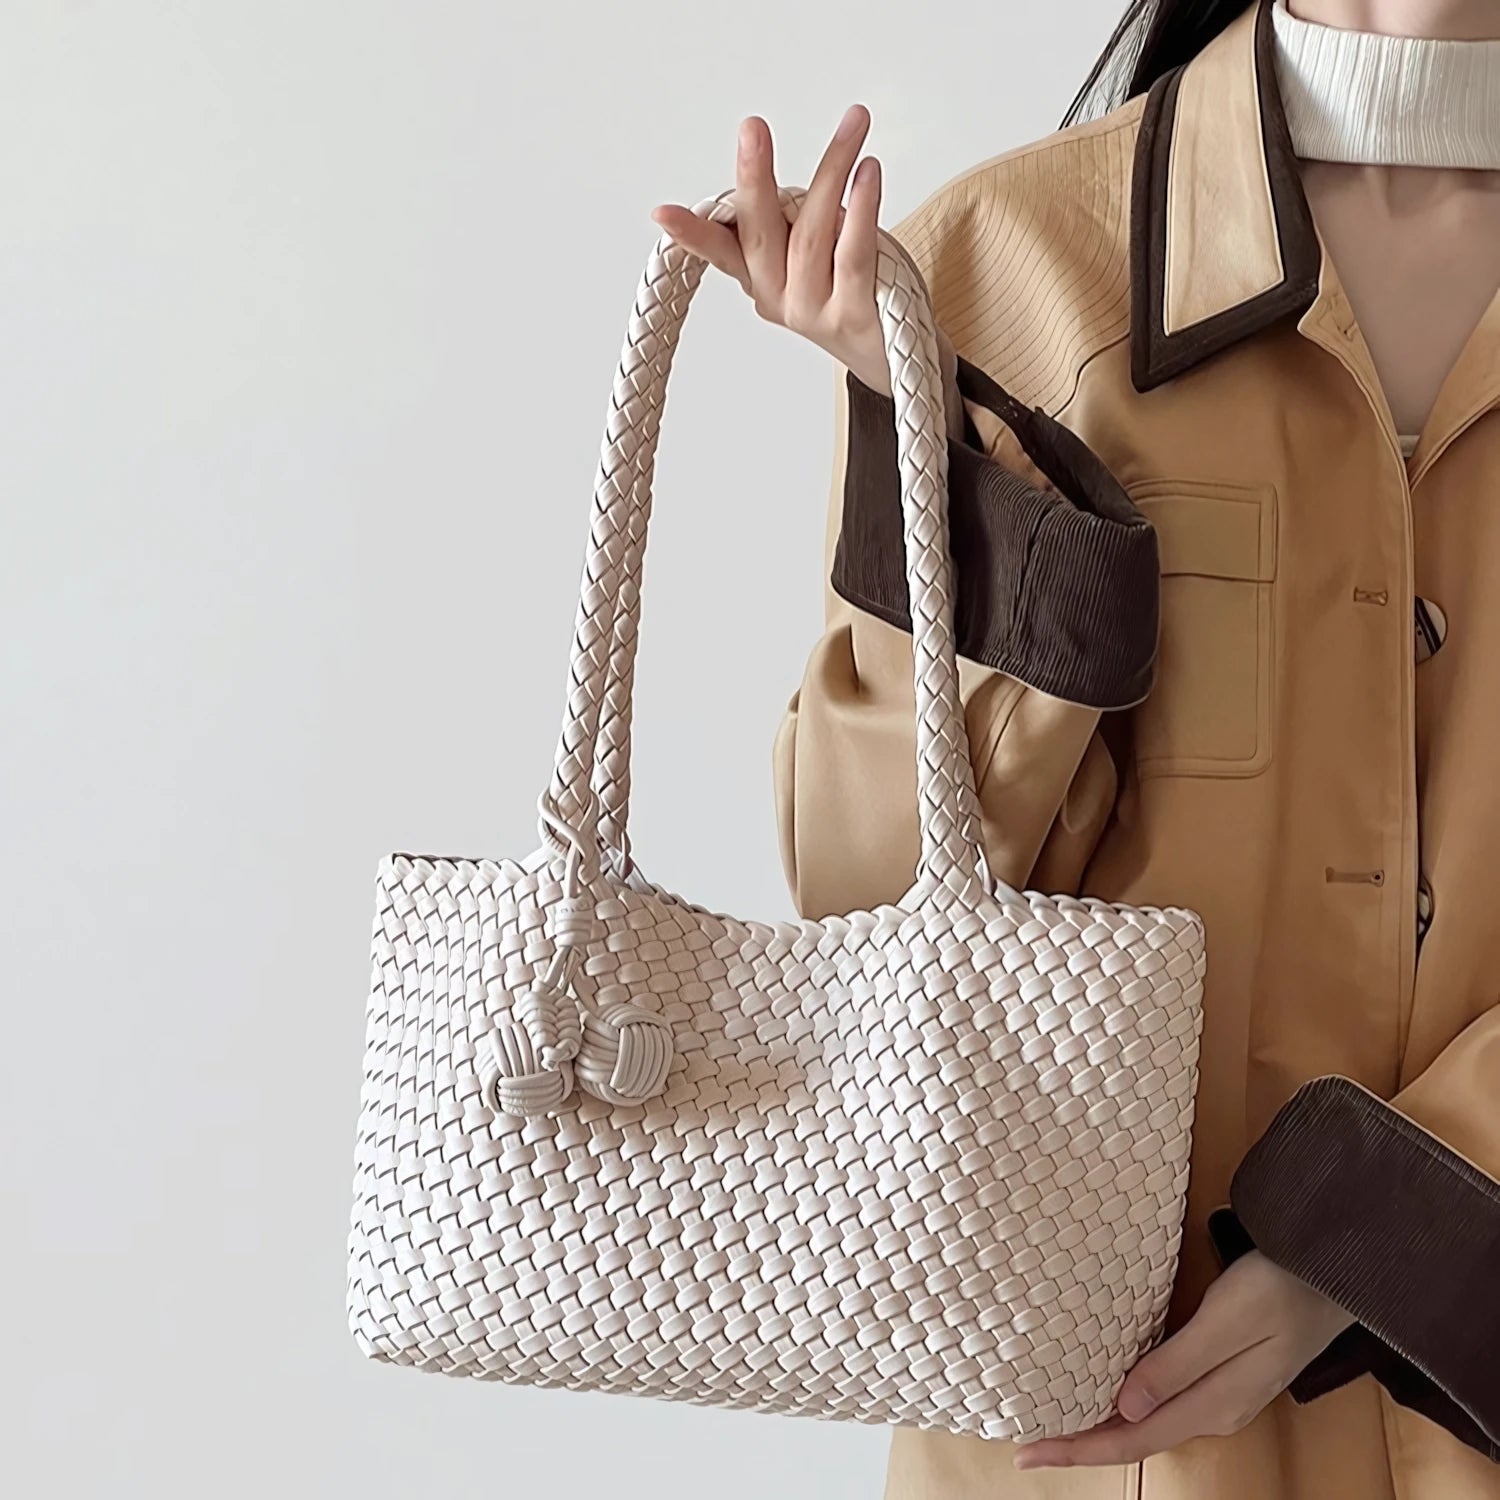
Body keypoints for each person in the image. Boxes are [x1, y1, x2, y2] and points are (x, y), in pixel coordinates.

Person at [649, 0, 1500, 1494]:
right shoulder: (1014, 267)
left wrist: (1380, 1235)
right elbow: (876, 914)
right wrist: (961, 484)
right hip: (1094, 1435)